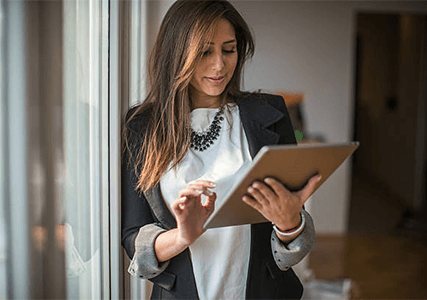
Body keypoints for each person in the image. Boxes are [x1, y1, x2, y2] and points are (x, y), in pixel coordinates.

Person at [121, 1, 320, 299]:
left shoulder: (270, 113)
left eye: (229, 50)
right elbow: (133, 238)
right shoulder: (143, 127)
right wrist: (182, 236)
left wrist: (290, 223)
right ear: (177, 53)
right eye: (204, 52)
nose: (219, 65)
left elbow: (291, 247)